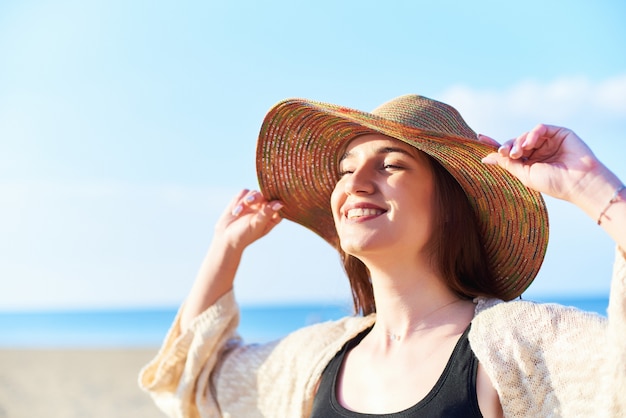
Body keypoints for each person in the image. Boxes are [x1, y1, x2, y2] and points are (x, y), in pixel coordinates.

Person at [139, 95, 626, 417]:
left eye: (390, 164)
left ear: (451, 201)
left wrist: (593, 188)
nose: (354, 182)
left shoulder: (517, 343)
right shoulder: (318, 358)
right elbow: (188, 384)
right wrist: (225, 250)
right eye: (346, 170)